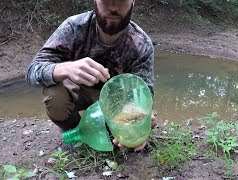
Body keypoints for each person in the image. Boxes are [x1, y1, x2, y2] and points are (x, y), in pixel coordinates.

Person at [26, 0, 156, 151]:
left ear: (133, 2)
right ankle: (74, 134)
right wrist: (65, 68)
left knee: (149, 121)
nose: (113, 7)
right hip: (78, 93)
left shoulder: (141, 43)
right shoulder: (74, 27)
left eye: (121, 0)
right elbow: (32, 72)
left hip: (117, 105)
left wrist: (139, 127)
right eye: (106, 0)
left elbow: (145, 93)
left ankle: (111, 135)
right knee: (55, 95)